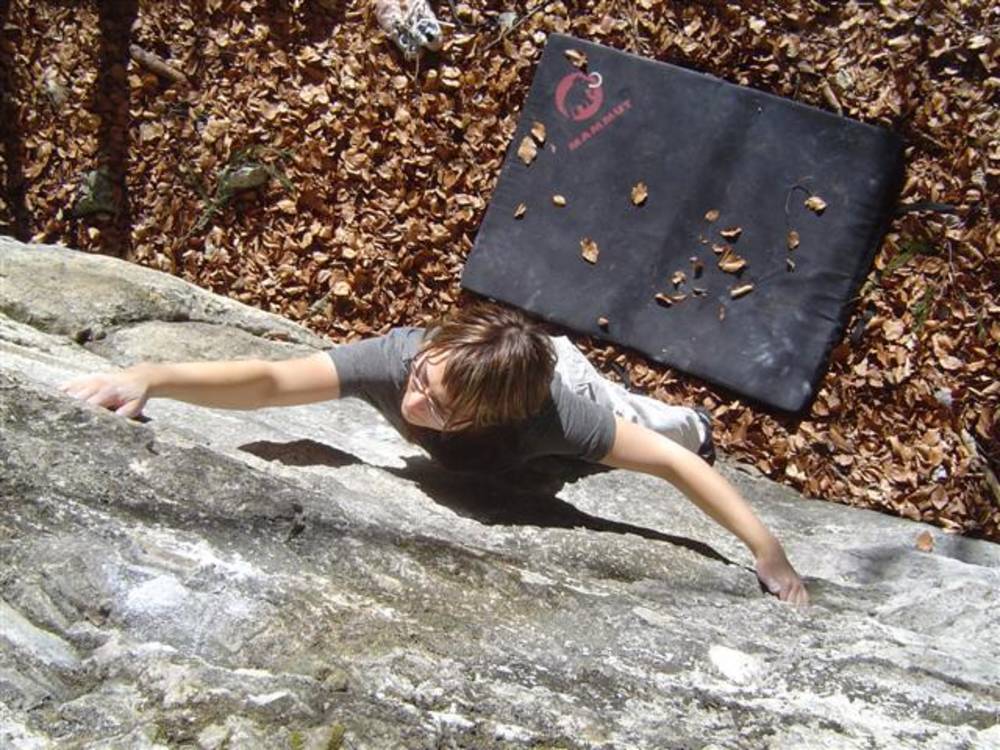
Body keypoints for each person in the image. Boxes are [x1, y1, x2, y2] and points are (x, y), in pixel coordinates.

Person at [60, 302, 808, 604]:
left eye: (440, 407)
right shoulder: (399, 362)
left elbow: (675, 469)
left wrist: (767, 552)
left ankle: (690, 416)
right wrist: (151, 376)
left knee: (667, 433)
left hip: (575, 387)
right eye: (422, 381)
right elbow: (271, 381)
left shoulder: (554, 420)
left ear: (494, 416)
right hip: (513, 369)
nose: (415, 404)